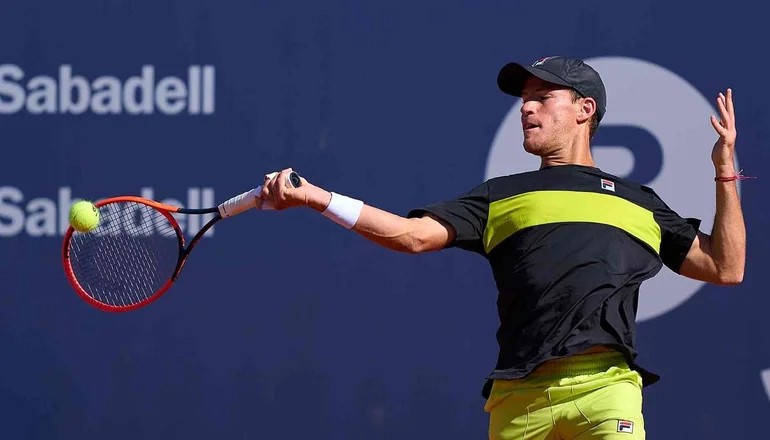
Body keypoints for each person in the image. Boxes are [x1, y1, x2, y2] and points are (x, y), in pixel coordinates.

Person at [259, 56, 746, 439]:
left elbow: (726, 267)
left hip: (606, 391)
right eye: (524, 99)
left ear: (585, 109)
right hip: (518, 401)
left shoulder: (640, 203)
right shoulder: (501, 196)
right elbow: (410, 236)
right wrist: (319, 198)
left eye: (542, 96)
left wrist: (725, 172)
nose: (526, 107)